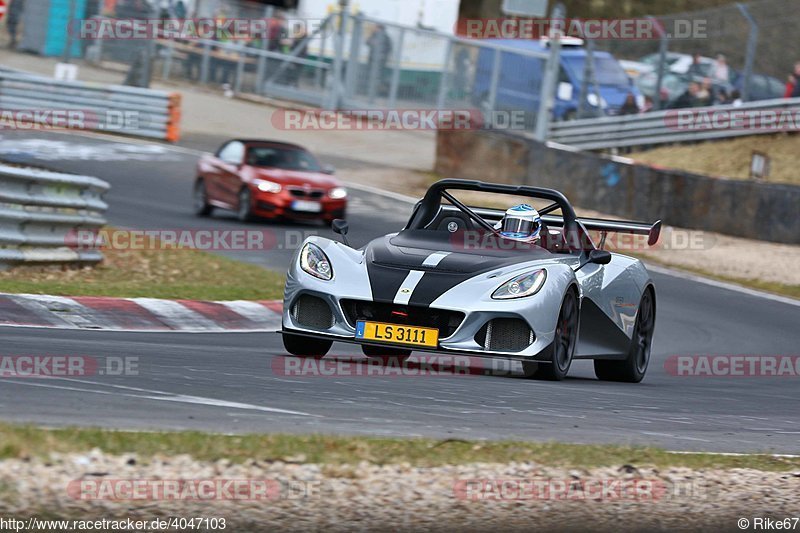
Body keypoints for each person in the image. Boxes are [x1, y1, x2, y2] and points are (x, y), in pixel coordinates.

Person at [366, 24, 392, 95]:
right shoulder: (373, 35)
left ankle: (375, 92)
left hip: (380, 61)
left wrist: (383, 55)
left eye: (376, 27)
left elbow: (389, 48)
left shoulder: (386, 37)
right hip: (372, 59)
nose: (374, 29)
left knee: (378, 76)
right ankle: (370, 91)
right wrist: (372, 42)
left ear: (380, 28)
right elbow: (367, 42)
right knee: (371, 75)